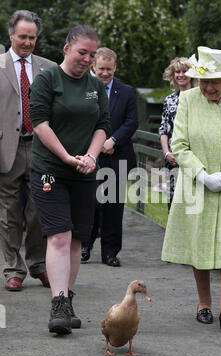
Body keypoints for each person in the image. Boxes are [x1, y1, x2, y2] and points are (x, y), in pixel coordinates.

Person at [161, 46, 221, 332]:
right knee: (199, 244)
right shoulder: (188, 99)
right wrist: (203, 175)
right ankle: (204, 303)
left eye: (214, 82)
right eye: (204, 82)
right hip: (196, 185)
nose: (208, 88)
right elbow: (179, 144)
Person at [29, 25, 110, 335]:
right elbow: (39, 122)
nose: (87, 59)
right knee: (59, 236)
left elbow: (102, 125)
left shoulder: (95, 86)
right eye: (82, 52)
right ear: (66, 49)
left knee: (78, 237)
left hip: (84, 172)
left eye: (92, 54)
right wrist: (65, 156)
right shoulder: (47, 79)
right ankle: (58, 303)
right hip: (51, 167)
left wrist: (91, 157)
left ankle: (69, 298)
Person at [0, 10, 56, 291]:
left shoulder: (49, 68)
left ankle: (38, 263)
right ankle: (13, 269)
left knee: (39, 209)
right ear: (11, 36)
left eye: (32, 37)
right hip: (6, 147)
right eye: (22, 36)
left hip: (40, 147)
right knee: (9, 213)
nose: (27, 42)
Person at [81, 47, 139, 266]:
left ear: (115, 68)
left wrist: (112, 141)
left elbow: (132, 122)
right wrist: (95, 145)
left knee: (114, 205)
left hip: (117, 155)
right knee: (90, 204)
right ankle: (84, 246)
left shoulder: (126, 92)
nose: (105, 73)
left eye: (109, 69)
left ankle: (110, 252)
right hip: (90, 155)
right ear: (93, 66)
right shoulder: (83, 88)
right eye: (101, 69)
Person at [159, 57, 195, 212]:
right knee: (174, 204)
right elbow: (164, 129)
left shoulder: (200, 98)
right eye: (177, 72)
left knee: (193, 204)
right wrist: (167, 153)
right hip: (173, 160)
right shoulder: (170, 100)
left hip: (194, 158)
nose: (181, 75)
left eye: (184, 71)